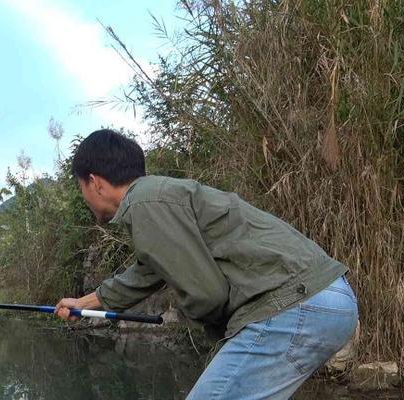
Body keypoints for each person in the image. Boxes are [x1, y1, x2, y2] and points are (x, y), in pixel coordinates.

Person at [54, 129, 358, 399]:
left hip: (294, 307)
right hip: (326, 299)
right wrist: (84, 302)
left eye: (81, 187)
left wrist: (194, 319)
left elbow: (207, 295)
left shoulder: (144, 203)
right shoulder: (158, 198)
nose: (84, 196)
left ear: (94, 182)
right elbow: (147, 272)